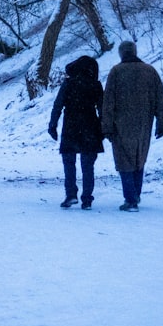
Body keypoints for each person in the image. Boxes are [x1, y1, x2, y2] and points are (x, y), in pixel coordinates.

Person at [101, 40, 163, 212]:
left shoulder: (116, 72)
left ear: (121, 54)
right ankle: (135, 194)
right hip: (144, 123)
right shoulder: (150, 71)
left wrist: (106, 126)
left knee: (124, 160)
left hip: (121, 123)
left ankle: (130, 199)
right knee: (139, 159)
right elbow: (160, 99)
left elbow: (108, 101)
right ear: (135, 51)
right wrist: (161, 122)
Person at [48, 55, 104, 210]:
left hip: (71, 126)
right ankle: (87, 199)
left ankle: (71, 194)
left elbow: (58, 105)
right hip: (90, 125)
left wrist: (53, 125)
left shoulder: (69, 83)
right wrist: (104, 128)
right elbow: (102, 108)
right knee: (88, 165)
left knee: (69, 162)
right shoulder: (95, 85)